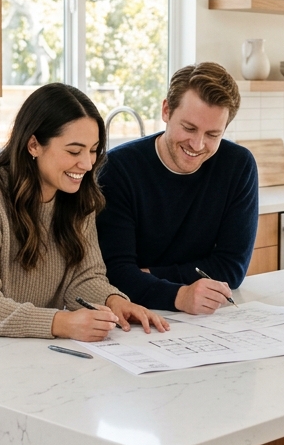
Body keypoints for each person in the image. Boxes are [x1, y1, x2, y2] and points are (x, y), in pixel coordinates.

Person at [0, 83, 167, 340]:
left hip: (13, 345)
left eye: (93, 150)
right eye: (74, 151)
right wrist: (62, 323)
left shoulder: (78, 194)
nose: (86, 163)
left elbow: (83, 278)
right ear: (34, 145)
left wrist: (114, 301)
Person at [97, 62, 259, 314]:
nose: (197, 144)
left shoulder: (238, 166)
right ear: (166, 110)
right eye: (189, 128)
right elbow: (114, 273)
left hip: (202, 314)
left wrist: (151, 275)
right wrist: (180, 294)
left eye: (212, 134)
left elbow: (232, 268)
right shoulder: (117, 169)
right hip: (134, 313)